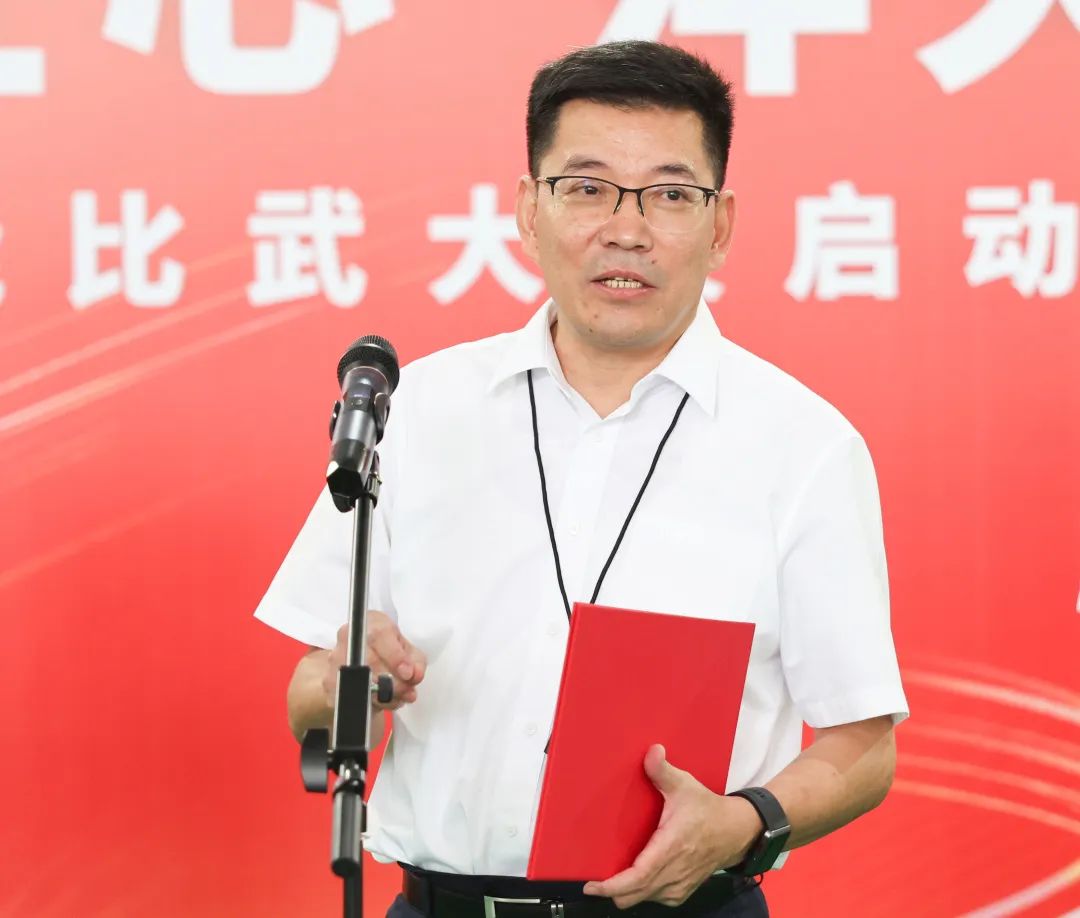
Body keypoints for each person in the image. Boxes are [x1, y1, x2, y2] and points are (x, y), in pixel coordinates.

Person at [255, 40, 908, 918]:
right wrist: (349, 682)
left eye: (670, 194)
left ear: (720, 226)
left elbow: (864, 745)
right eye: (588, 187)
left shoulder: (803, 445)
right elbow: (309, 695)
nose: (626, 229)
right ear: (529, 211)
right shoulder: (421, 412)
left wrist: (745, 823)